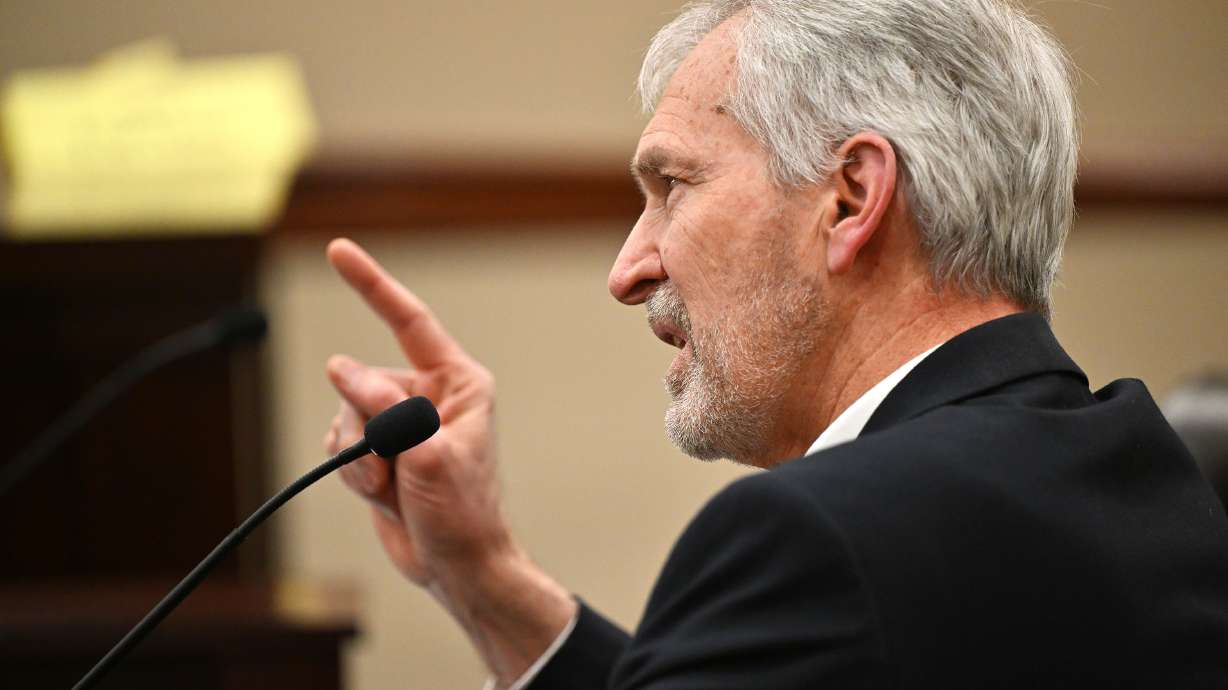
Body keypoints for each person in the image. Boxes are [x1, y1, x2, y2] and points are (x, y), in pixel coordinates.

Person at [321, 1, 1228, 688]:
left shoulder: (812, 539)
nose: (629, 269)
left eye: (672, 186)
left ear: (850, 198)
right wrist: (483, 575)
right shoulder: (1148, 469)